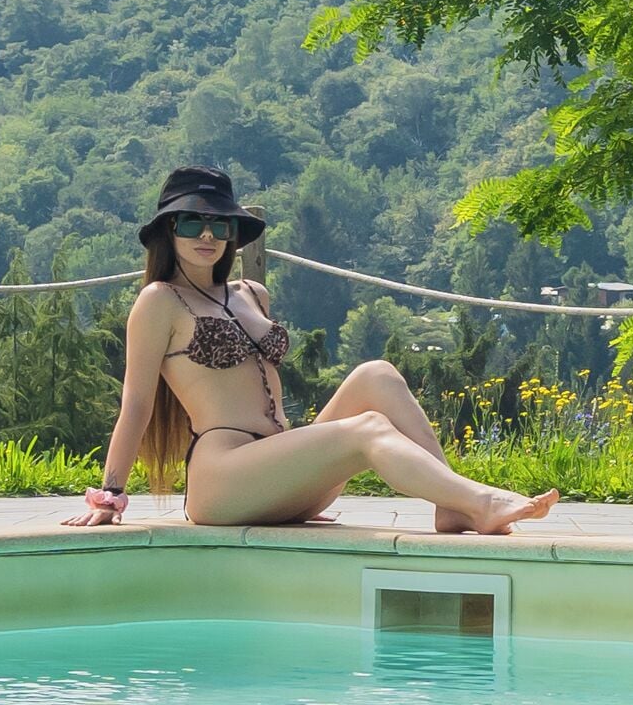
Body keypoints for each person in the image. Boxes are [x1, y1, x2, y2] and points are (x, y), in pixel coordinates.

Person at [66, 165, 558, 533]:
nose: (209, 235)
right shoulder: (160, 302)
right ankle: (480, 501)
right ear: (169, 232)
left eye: (221, 225)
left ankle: (451, 504)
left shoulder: (250, 294)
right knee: (367, 429)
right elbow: (137, 405)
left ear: (235, 235)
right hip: (225, 481)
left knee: (377, 374)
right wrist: (109, 495)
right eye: (192, 223)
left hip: (284, 471)